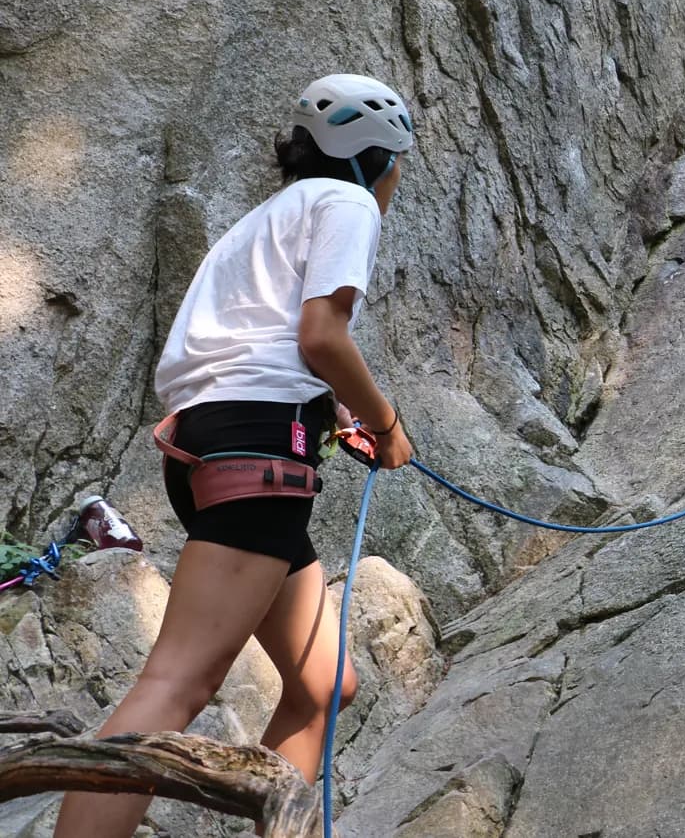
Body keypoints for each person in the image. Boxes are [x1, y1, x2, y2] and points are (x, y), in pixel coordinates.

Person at [54, 73, 417, 838]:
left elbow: (253, 348)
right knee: (178, 680)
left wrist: (337, 411)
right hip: (260, 452)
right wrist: (385, 424)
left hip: (212, 446)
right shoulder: (348, 203)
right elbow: (322, 335)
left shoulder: (265, 219)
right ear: (376, 159)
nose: (395, 184)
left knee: (325, 685)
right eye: (397, 167)